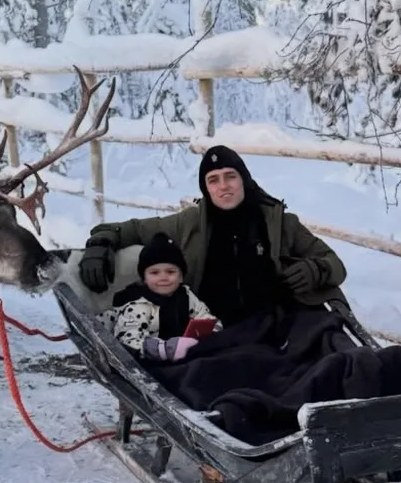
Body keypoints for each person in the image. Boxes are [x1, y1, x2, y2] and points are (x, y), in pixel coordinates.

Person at [79, 145, 348, 326]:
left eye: (230, 176)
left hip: (278, 324)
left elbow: (334, 264)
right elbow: (132, 229)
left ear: (244, 179)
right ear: (206, 188)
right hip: (217, 330)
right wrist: (101, 242)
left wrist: (316, 270)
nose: (223, 187)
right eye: (213, 180)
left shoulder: (279, 222)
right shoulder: (190, 222)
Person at [112, 232, 219, 361]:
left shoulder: (185, 295)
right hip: (143, 356)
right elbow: (128, 341)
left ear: (180, 277)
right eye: (155, 272)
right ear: (144, 279)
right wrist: (166, 349)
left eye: (170, 272)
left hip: (176, 350)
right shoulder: (138, 305)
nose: (163, 278)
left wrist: (211, 333)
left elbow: (204, 316)